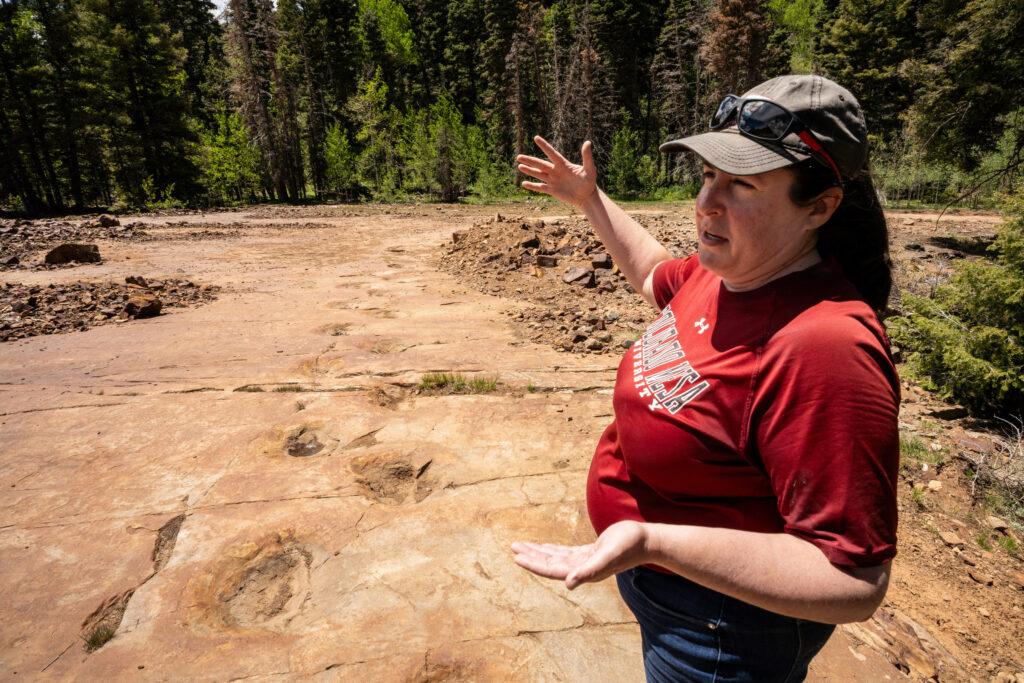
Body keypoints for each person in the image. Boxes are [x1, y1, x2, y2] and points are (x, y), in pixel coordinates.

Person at [509, 74, 900, 682]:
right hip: (671, 595)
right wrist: (589, 199)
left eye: (742, 183)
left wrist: (653, 543)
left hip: (723, 634)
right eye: (709, 175)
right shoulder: (725, 272)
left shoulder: (823, 346)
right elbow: (653, 274)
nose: (708, 202)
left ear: (820, 206)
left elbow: (851, 580)